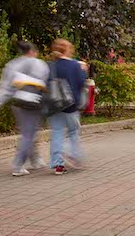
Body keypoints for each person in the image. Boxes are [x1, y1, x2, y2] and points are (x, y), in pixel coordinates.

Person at [0, 41, 49, 176]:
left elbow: (4, 88)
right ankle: (18, 165)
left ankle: (35, 160)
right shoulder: (40, 64)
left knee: (29, 131)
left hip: (18, 103)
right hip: (34, 102)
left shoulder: (12, 65)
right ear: (33, 51)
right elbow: (45, 85)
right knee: (29, 134)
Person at [49, 39, 87, 175]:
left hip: (54, 105)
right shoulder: (75, 65)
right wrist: (83, 71)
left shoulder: (51, 66)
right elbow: (81, 83)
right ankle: (74, 156)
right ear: (67, 49)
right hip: (71, 105)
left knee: (57, 133)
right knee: (73, 133)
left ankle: (58, 165)